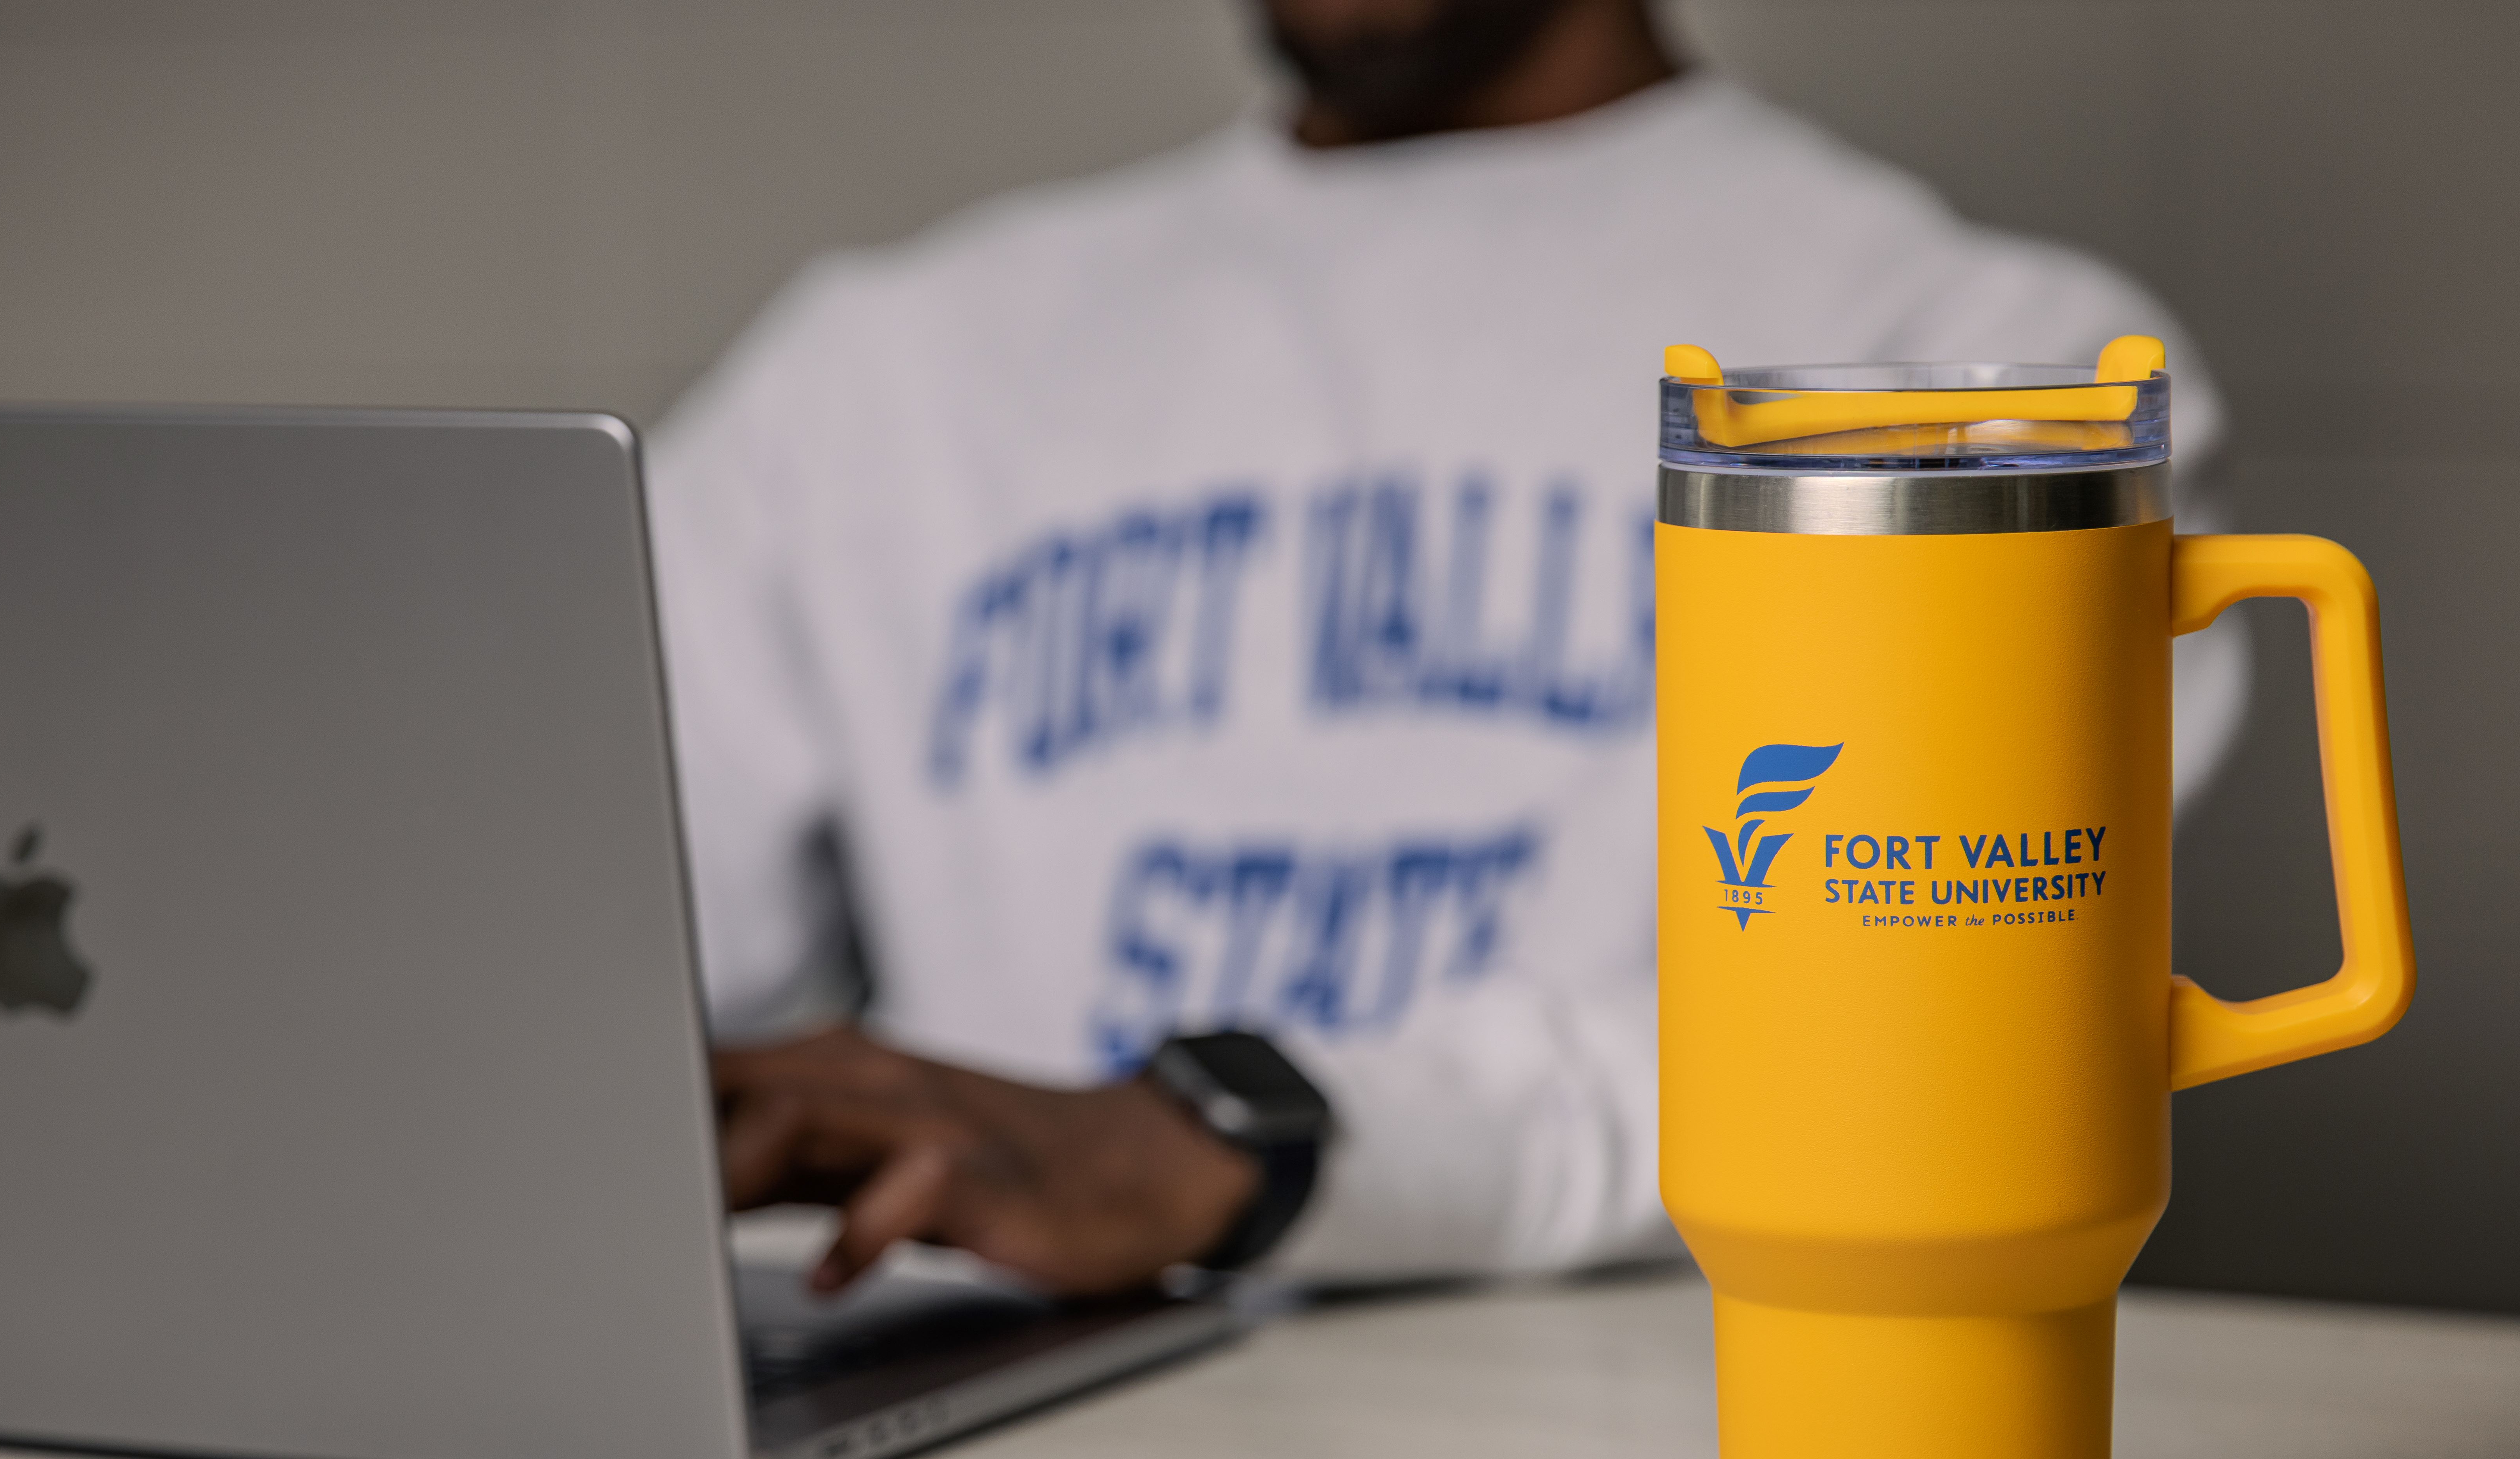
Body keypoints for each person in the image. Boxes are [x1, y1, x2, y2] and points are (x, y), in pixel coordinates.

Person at [651, 0, 2249, 1298]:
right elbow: (606, 970)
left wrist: (1232, 1143)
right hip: (955, 1423)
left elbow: (1899, 1041)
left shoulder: (1991, 378)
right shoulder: (880, 366)